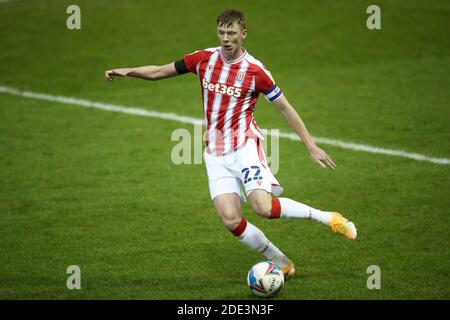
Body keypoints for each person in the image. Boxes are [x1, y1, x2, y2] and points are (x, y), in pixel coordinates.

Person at [105, 9, 357, 279]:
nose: (226, 39)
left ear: (243, 34)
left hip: (244, 147)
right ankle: (281, 262)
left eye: (232, 33)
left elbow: (285, 109)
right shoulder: (202, 60)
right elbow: (157, 72)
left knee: (263, 207)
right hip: (215, 153)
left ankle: (327, 217)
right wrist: (127, 71)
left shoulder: (256, 71)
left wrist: (311, 146)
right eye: (222, 33)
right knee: (230, 219)